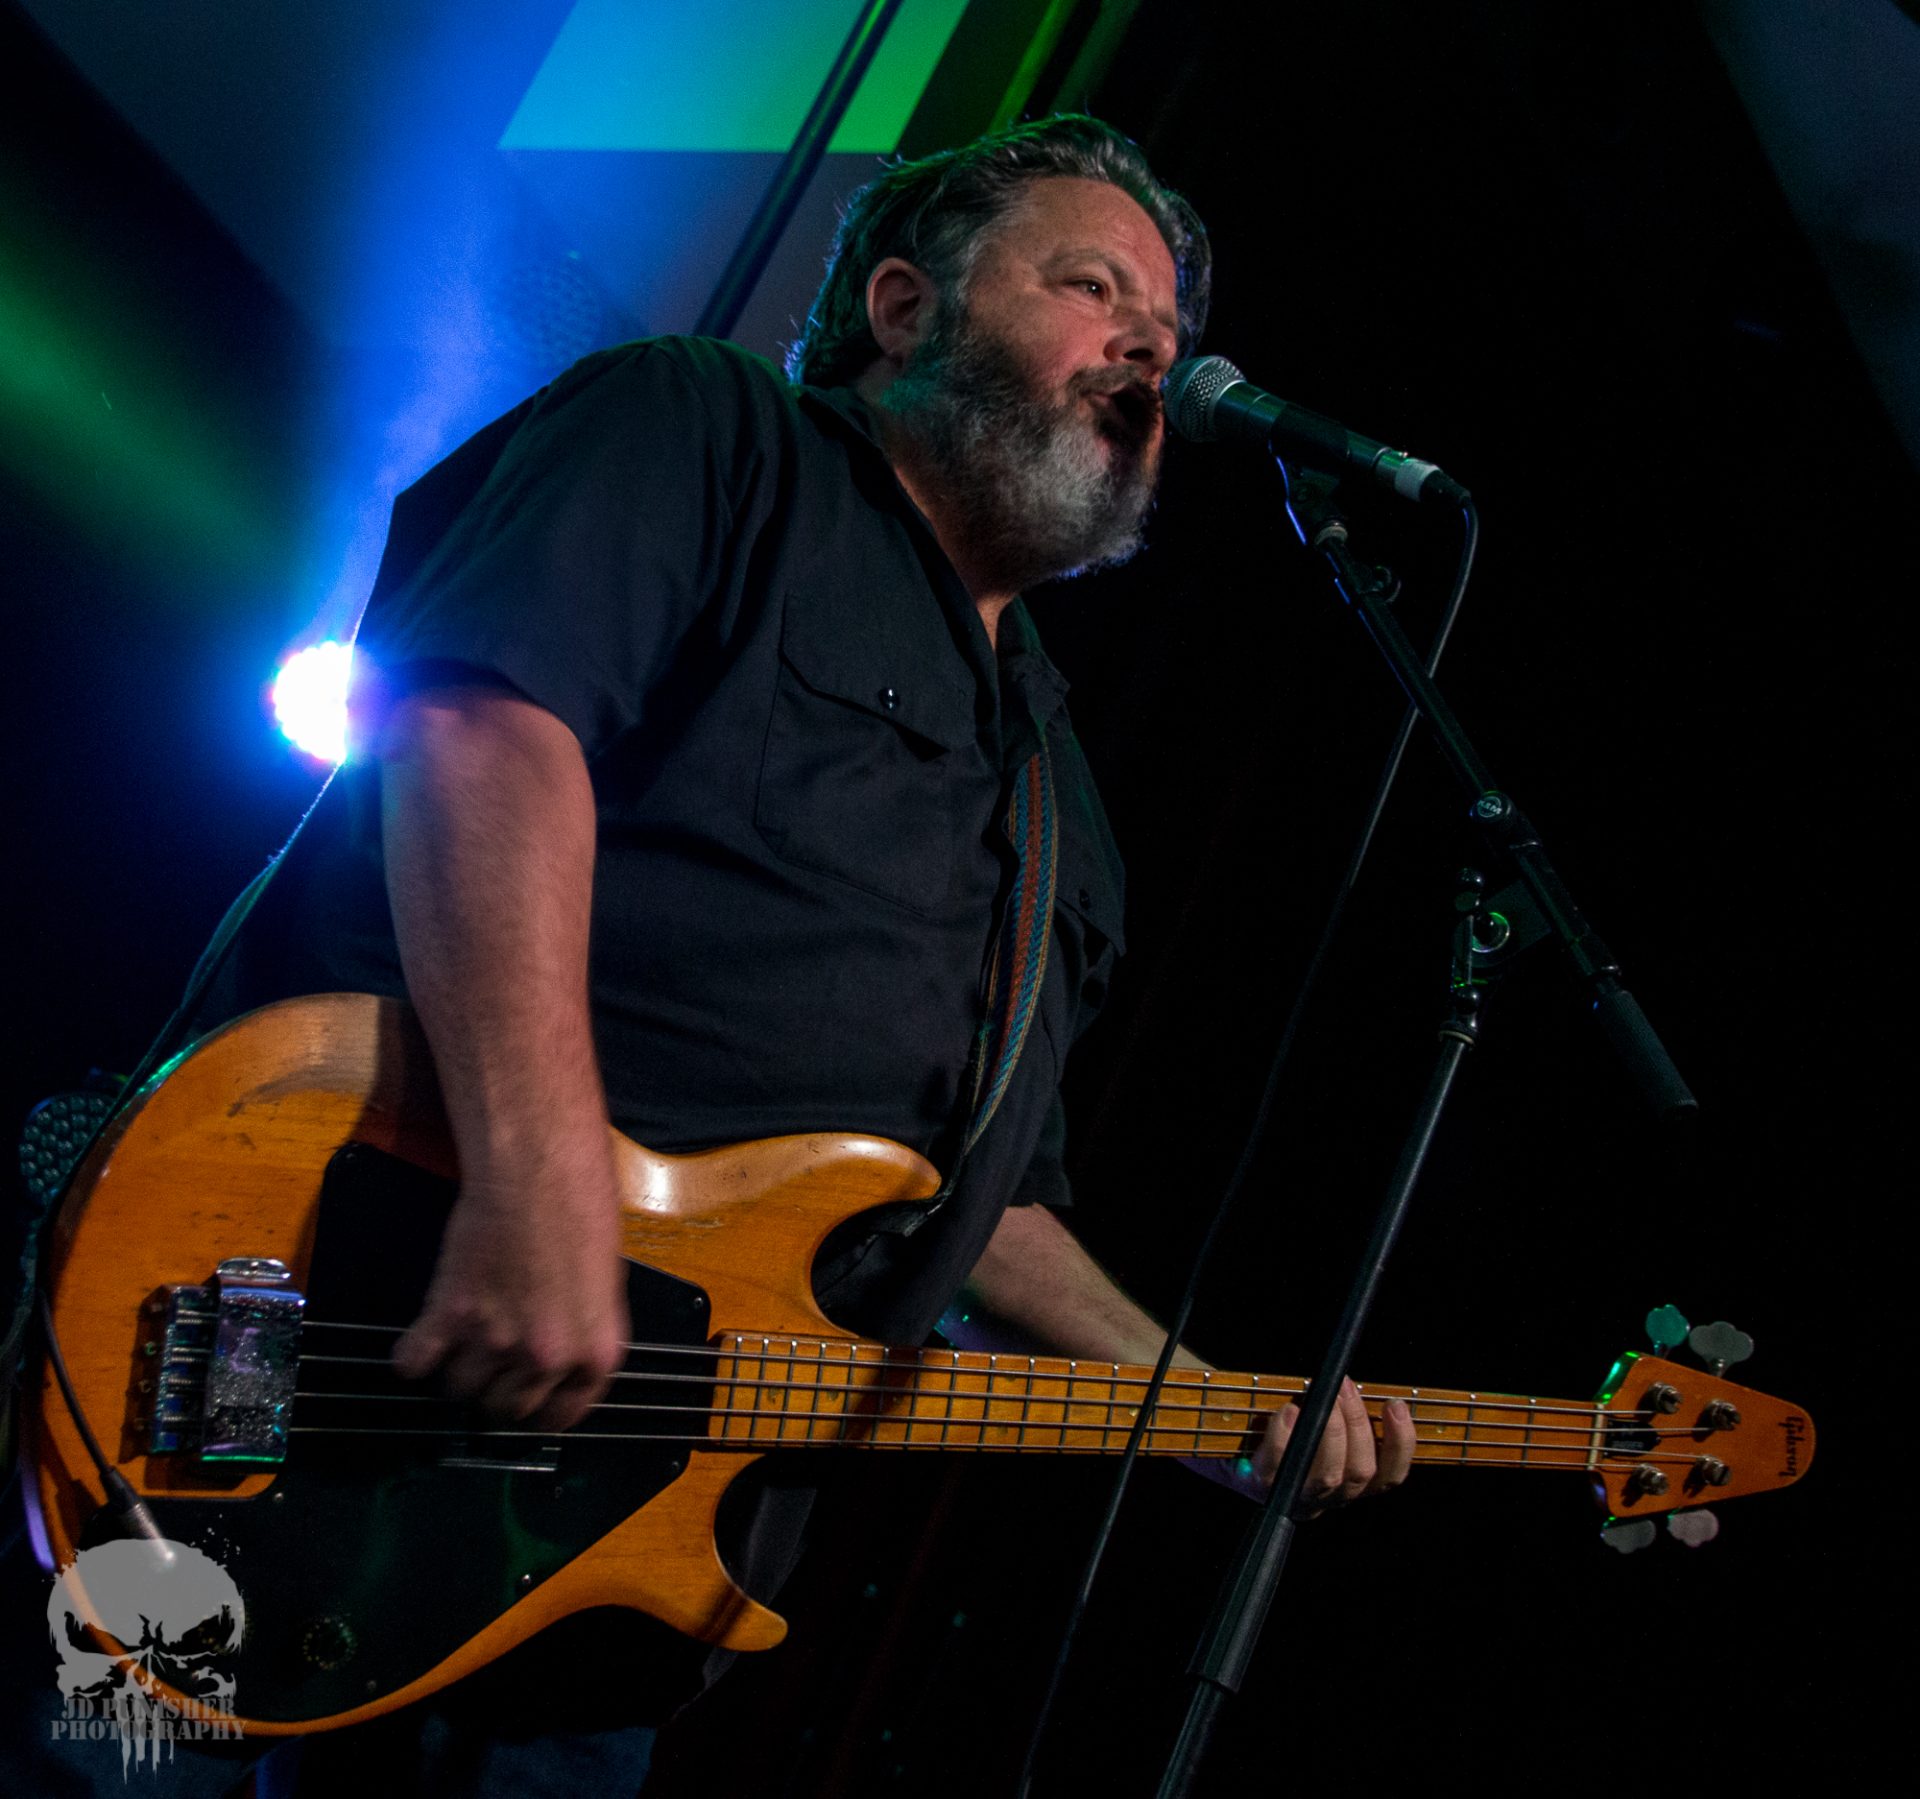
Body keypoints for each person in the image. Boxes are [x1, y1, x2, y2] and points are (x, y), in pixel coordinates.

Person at [5, 114, 1413, 1797]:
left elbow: (982, 1213)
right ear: (904, 308)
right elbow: (483, 728)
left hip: (599, 1602)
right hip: (329, 1317)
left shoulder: (1066, 818)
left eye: (1166, 333)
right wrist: (538, 1182)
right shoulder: (708, 431)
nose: (1147, 352)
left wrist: (1200, 1400)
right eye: (1091, 288)